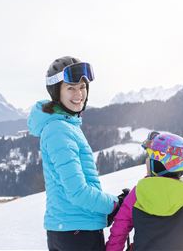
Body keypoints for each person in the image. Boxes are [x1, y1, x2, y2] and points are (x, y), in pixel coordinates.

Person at [27, 56, 118, 251]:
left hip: (75, 230)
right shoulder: (59, 130)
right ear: (56, 92)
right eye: (70, 88)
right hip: (76, 234)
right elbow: (78, 192)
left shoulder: (67, 125)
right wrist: (115, 204)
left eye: (82, 87)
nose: (79, 94)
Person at [106, 131, 183, 251]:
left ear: (159, 163)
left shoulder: (137, 193)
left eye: (150, 157)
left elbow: (118, 231)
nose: (147, 161)